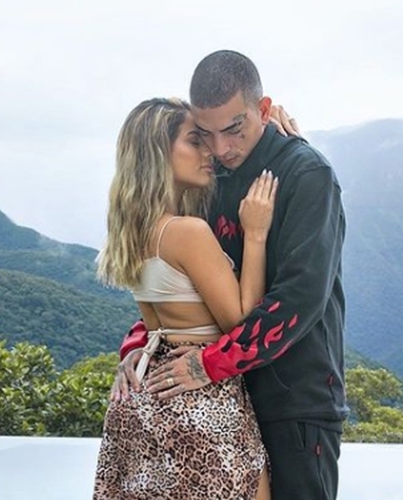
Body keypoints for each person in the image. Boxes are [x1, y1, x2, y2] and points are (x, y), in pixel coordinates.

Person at [117, 50, 348, 500]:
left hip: (293, 402)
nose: (221, 148)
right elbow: (186, 285)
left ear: (264, 109)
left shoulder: (307, 174)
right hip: (223, 402)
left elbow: (300, 298)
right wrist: (139, 346)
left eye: (235, 129)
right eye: (206, 134)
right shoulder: (210, 176)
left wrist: (209, 364)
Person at [92, 97, 279, 499]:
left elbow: (156, 326)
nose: (209, 151)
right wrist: (255, 234)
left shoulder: (131, 234)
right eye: (195, 141)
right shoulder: (187, 232)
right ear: (158, 154)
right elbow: (241, 323)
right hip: (199, 398)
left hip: (145, 396)